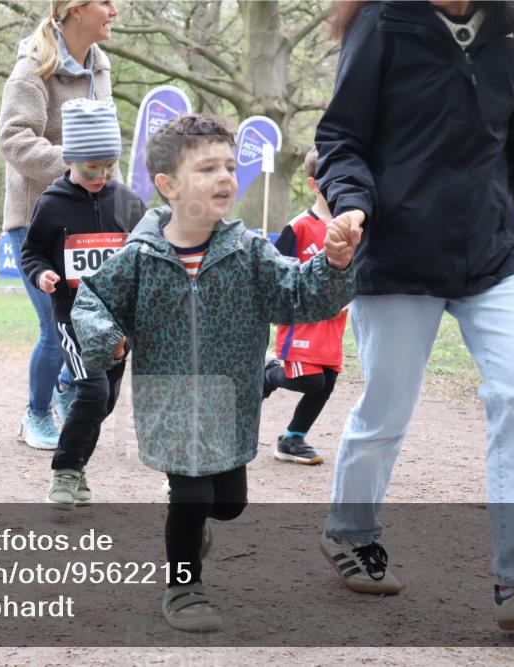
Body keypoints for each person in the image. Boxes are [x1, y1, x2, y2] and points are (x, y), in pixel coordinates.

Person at [315, 0, 514, 630]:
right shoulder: (383, 22)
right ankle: (350, 530)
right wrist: (353, 206)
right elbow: (340, 139)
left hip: (494, 251)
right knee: (386, 413)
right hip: (396, 249)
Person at [71, 115, 358, 631]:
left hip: (231, 400)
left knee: (227, 505)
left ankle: (200, 521)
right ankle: (183, 585)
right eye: (207, 167)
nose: (225, 176)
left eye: (229, 165)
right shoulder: (139, 256)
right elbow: (92, 301)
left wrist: (334, 265)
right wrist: (104, 339)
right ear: (168, 186)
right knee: (190, 496)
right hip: (169, 397)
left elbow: (297, 294)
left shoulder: (248, 250)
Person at [0, 0, 119, 450]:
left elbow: (106, 146)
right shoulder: (32, 69)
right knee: (56, 326)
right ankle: (35, 414)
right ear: (75, 10)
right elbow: (12, 138)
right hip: (37, 221)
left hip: (92, 224)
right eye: (105, 2)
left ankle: (68, 390)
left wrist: (118, 203)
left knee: (92, 322)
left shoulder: (100, 69)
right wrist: (72, 163)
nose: (115, 11)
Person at [21, 99, 147, 503]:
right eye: (92, 166)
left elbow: (148, 251)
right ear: (71, 159)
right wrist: (43, 274)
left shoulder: (127, 201)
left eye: (108, 166)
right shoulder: (52, 203)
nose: (101, 175)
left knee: (104, 401)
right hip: (73, 317)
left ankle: (78, 467)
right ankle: (64, 472)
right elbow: (32, 252)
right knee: (92, 393)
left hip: (117, 322)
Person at [262, 148, 347, 466]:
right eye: (331, 181)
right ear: (314, 185)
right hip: (300, 322)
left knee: (326, 381)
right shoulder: (298, 226)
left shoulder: (349, 227)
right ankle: (269, 374)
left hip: (332, 324)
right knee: (309, 380)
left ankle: (293, 439)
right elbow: (275, 271)